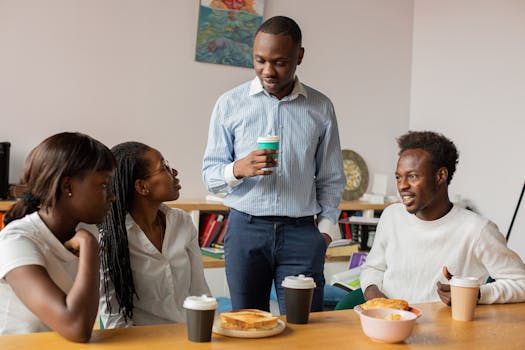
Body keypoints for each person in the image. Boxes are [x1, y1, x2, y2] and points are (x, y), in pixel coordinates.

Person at [202, 16, 346, 314]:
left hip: (302, 234)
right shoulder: (229, 104)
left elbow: (332, 177)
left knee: (305, 328)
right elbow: (210, 175)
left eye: (280, 62)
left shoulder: (321, 107)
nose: (268, 71)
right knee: (247, 323)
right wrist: (238, 169)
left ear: (300, 56)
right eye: (260, 60)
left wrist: (325, 232)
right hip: (246, 229)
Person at [360, 131, 525, 305]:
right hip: (388, 324)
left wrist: (473, 294)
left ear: (440, 176)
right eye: (398, 177)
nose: (402, 186)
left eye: (413, 176)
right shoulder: (391, 216)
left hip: (443, 329)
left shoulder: (476, 230)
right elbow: (372, 268)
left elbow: (521, 283)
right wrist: (378, 300)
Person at [0, 132, 115, 341]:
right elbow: (77, 327)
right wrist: (90, 246)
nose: (112, 196)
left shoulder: (85, 229)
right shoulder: (16, 241)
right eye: (104, 185)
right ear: (67, 186)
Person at [98, 142, 210, 328]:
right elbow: (115, 318)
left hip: (186, 335)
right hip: (140, 342)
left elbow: (200, 292)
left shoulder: (182, 223)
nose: (174, 172)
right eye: (164, 167)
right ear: (142, 187)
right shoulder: (112, 238)